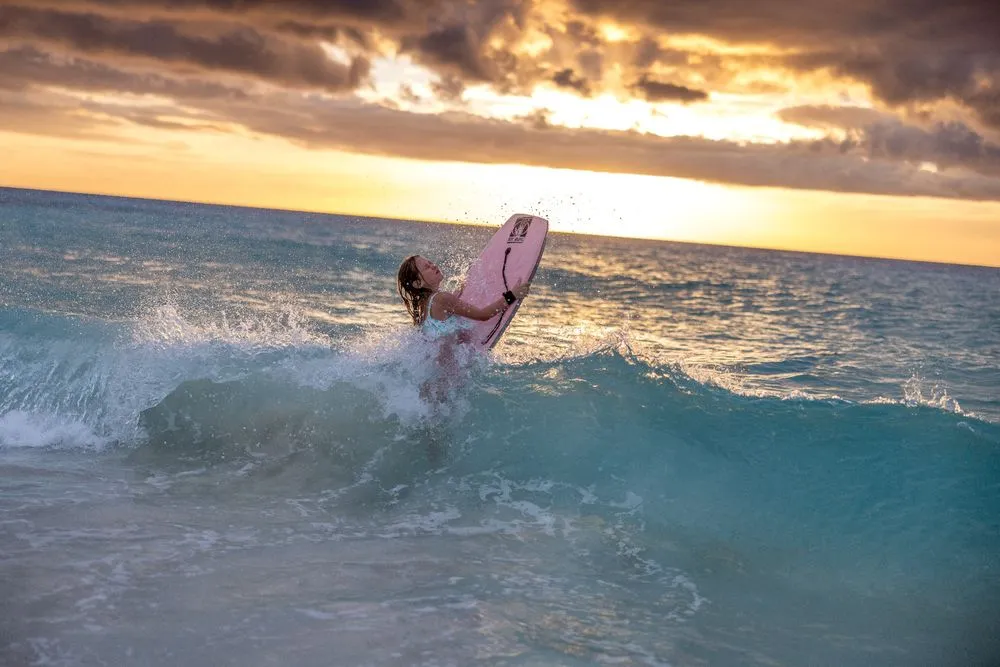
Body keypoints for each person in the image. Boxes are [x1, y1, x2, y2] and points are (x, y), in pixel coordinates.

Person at [396, 255, 530, 340]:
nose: (433, 265)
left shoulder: (424, 305)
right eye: (427, 267)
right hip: (447, 378)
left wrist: (462, 287)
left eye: (430, 262)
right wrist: (512, 295)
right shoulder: (442, 299)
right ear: (418, 283)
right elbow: (483, 315)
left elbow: (449, 307)